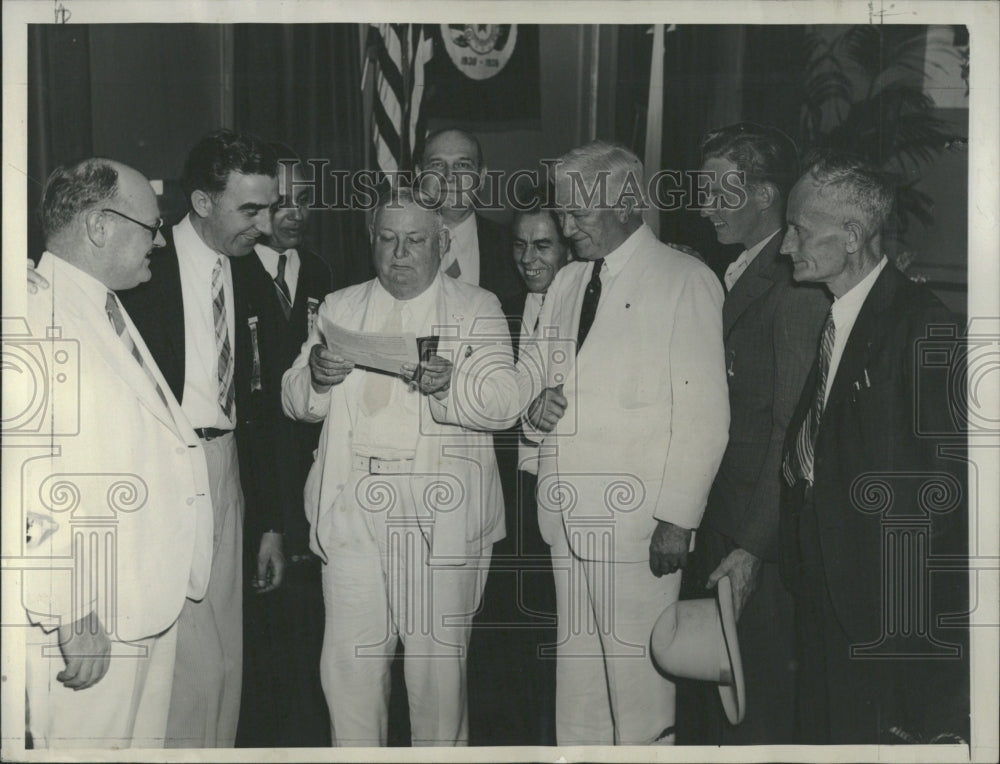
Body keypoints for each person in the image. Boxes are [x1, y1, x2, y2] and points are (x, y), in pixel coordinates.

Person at [281, 186, 522, 746]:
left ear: (442, 242)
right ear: (371, 240)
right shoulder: (340, 305)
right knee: (349, 673)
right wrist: (316, 375)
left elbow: (506, 403)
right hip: (355, 505)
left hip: (438, 512)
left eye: (415, 240)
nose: (400, 254)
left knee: (435, 679)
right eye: (387, 239)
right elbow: (295, 399)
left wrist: (452, 384)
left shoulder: (476, 307)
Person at [518, 141, 730, 745]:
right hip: (564, 515)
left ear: (626, 202)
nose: (564, 226)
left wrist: (676, 520)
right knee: (577, 684)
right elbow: (535, 382)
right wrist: (533, 416)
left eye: (576, 213)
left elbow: (705, 416)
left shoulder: (684, 280)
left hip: (638, 530)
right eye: (561, 213)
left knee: (640, 692)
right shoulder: (565, 283)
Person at [778, 151, 968, 744]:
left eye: (800, 230)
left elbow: (944, 489)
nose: (786, 247)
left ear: (853, 235)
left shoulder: (920, 323)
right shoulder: (840, 318)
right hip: (825, 588)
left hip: (882, 616)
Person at [22, 159, 213, 748]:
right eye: (150, 227)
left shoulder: (102, 306)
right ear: (100, 226)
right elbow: (32, 475)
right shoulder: (35, 313)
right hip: (92, 614)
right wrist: (70, 610)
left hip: (140, 596)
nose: (160, 240)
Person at [116, 129, 290, 748]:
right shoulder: (143, 270)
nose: (266, 225)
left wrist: (271, 521)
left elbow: (265, 410)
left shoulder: (252, 275)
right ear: (201, 203)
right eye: (251, 210)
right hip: (164, 472)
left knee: (224, 655)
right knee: (176, 658)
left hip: (228, 469)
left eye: (269, 207)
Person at [676, 122, 829, 745]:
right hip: (723, 518)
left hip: (750, 532)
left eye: (721, 192)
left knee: (751, 708)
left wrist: (752, 547)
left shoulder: (793, 287)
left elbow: (791, 430)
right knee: (718, 699)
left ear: (765, 194)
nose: (705, 206)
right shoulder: (739, 269)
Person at [235, 142, 336, 747]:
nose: (293, 213)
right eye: (279, 202)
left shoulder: (321, 272)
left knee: (310, 632)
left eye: (305, 200)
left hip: (308, 472)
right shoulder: (232, 272)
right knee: (257, 639)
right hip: (252, 475)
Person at [468, 191, 570, 745]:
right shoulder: (497, 309)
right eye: (520, 245)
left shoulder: (589, 309)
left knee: (560, 633)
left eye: (544, 245)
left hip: (567, 495)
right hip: (509, 495)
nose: (530, 258)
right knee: (505, 630)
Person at [414, 128, 525, 311]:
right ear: (419, 175)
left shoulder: (512, 247)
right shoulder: (390, 246)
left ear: (481, 177)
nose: (449, 177)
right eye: (437, 165)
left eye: (462, 165)